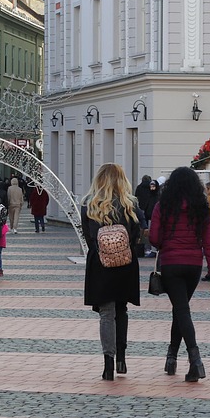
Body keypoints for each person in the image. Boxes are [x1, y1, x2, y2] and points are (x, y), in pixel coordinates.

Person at [150, 166, 210, 382]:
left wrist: (168, 240)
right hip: (193, 265)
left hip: (171, 264)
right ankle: (171, 357)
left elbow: (154, 239)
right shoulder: (200, 207)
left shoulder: (162, 206)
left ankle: (195, 360)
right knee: (180, 309)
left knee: (181, 310)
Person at [81, 163, 143, 381]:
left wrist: (101, 252)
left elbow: (88, 238)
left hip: (100, 264)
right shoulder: (130, 204)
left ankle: (108, 363)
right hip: (125, 264)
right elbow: (137, 234)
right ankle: (122, 359)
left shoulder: (89, 204)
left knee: (106, 313)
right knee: (121, 309)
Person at [136, 176, 159, 256]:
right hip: (150, 214)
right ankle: (150, 249)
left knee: (146, 232)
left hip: (147, 213)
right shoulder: (153, 195)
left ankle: (148, 249)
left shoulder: (140, 188)